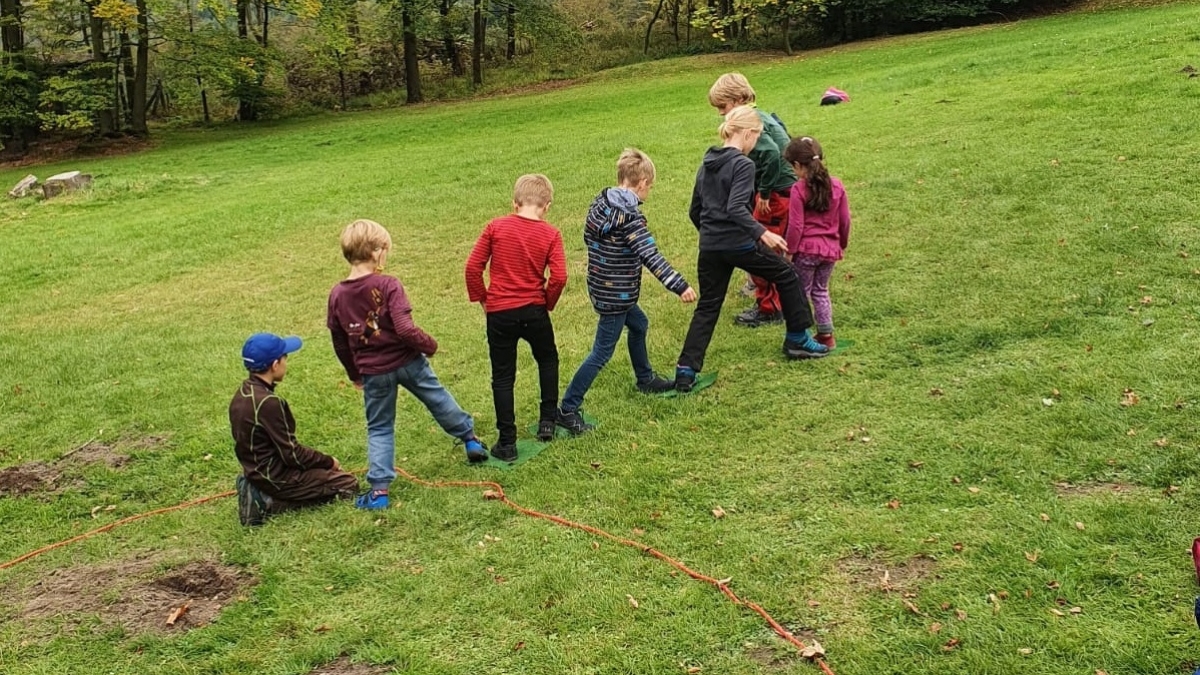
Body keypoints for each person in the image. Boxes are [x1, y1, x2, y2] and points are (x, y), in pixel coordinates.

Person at [327, 219, 488, 511]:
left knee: (379, 427)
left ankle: (379, 493)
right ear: (377, 253)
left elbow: (339, 340)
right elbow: (404, 328)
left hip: (373, 372)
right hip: (409, 361)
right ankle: (471, 440)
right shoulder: (388, 284)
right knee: (437, 398)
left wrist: (354, 373)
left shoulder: (337, 295)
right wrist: (430, 345)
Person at [674, 106, 829, 393]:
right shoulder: (744, 165)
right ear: (747, 133)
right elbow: (735, 207)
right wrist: (763, 234)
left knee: (708, 306)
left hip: (710, 247)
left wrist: (711, 236)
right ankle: (798, 338)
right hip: (738, 243)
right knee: (787, 274)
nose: (756, 143)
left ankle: (685, 371)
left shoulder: (706, 164)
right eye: (756, 137)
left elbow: (694, 211)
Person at [556, 149, 698, 433]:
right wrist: (679, 285)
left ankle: (645, 379)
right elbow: (651, 257)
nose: (649, 192)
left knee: (640, 325)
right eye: (650, 187)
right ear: (642, 183)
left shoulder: (601, 202)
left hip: (602, 286)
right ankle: (567, 408)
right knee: (601, 353)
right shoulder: (630, 220)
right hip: (616, 296)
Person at [465, 174, 568, 461]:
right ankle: (547, 420)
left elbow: (473, 267)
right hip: (534, 311)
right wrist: (547, 302)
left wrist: (484, 299)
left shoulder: (495, 227)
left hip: (500, 314)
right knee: (547, 359)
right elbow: (559, 277)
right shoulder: (550, 234)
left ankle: (507, 442)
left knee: (502, 375)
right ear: (547, 205)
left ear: (515, 203)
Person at [230, 332, 359, 527]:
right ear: (275, 365)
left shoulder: (242, 393)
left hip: (255, 469)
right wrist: (328, 462)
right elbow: (293, 455)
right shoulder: (269, 403)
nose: (286, 363)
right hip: (275, 477)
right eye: (285, 358)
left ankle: (257, 487)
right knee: (347, 483)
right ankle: (267, 503)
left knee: (322, 475)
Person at [707, 72, 797, 328]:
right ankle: (777, 298)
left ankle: (770, 308)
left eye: (723, 107)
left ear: (739, 99)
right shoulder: (763, 116)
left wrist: (765, 192)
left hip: (777, 195)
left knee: (762, 249)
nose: (720, 113)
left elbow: (772, 154)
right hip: (785, 192)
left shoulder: (751, 123)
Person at [783, 136, 851, 349]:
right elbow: (845, 220)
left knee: (801, 292)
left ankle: (800, 335)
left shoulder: (799, 190)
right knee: (821, 290)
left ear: (797, 165)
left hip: (806, 252)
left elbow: (796, 226)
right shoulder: (837, 186)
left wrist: (789, 251)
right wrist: (842, 243)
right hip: (830, 250)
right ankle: (826, 335)